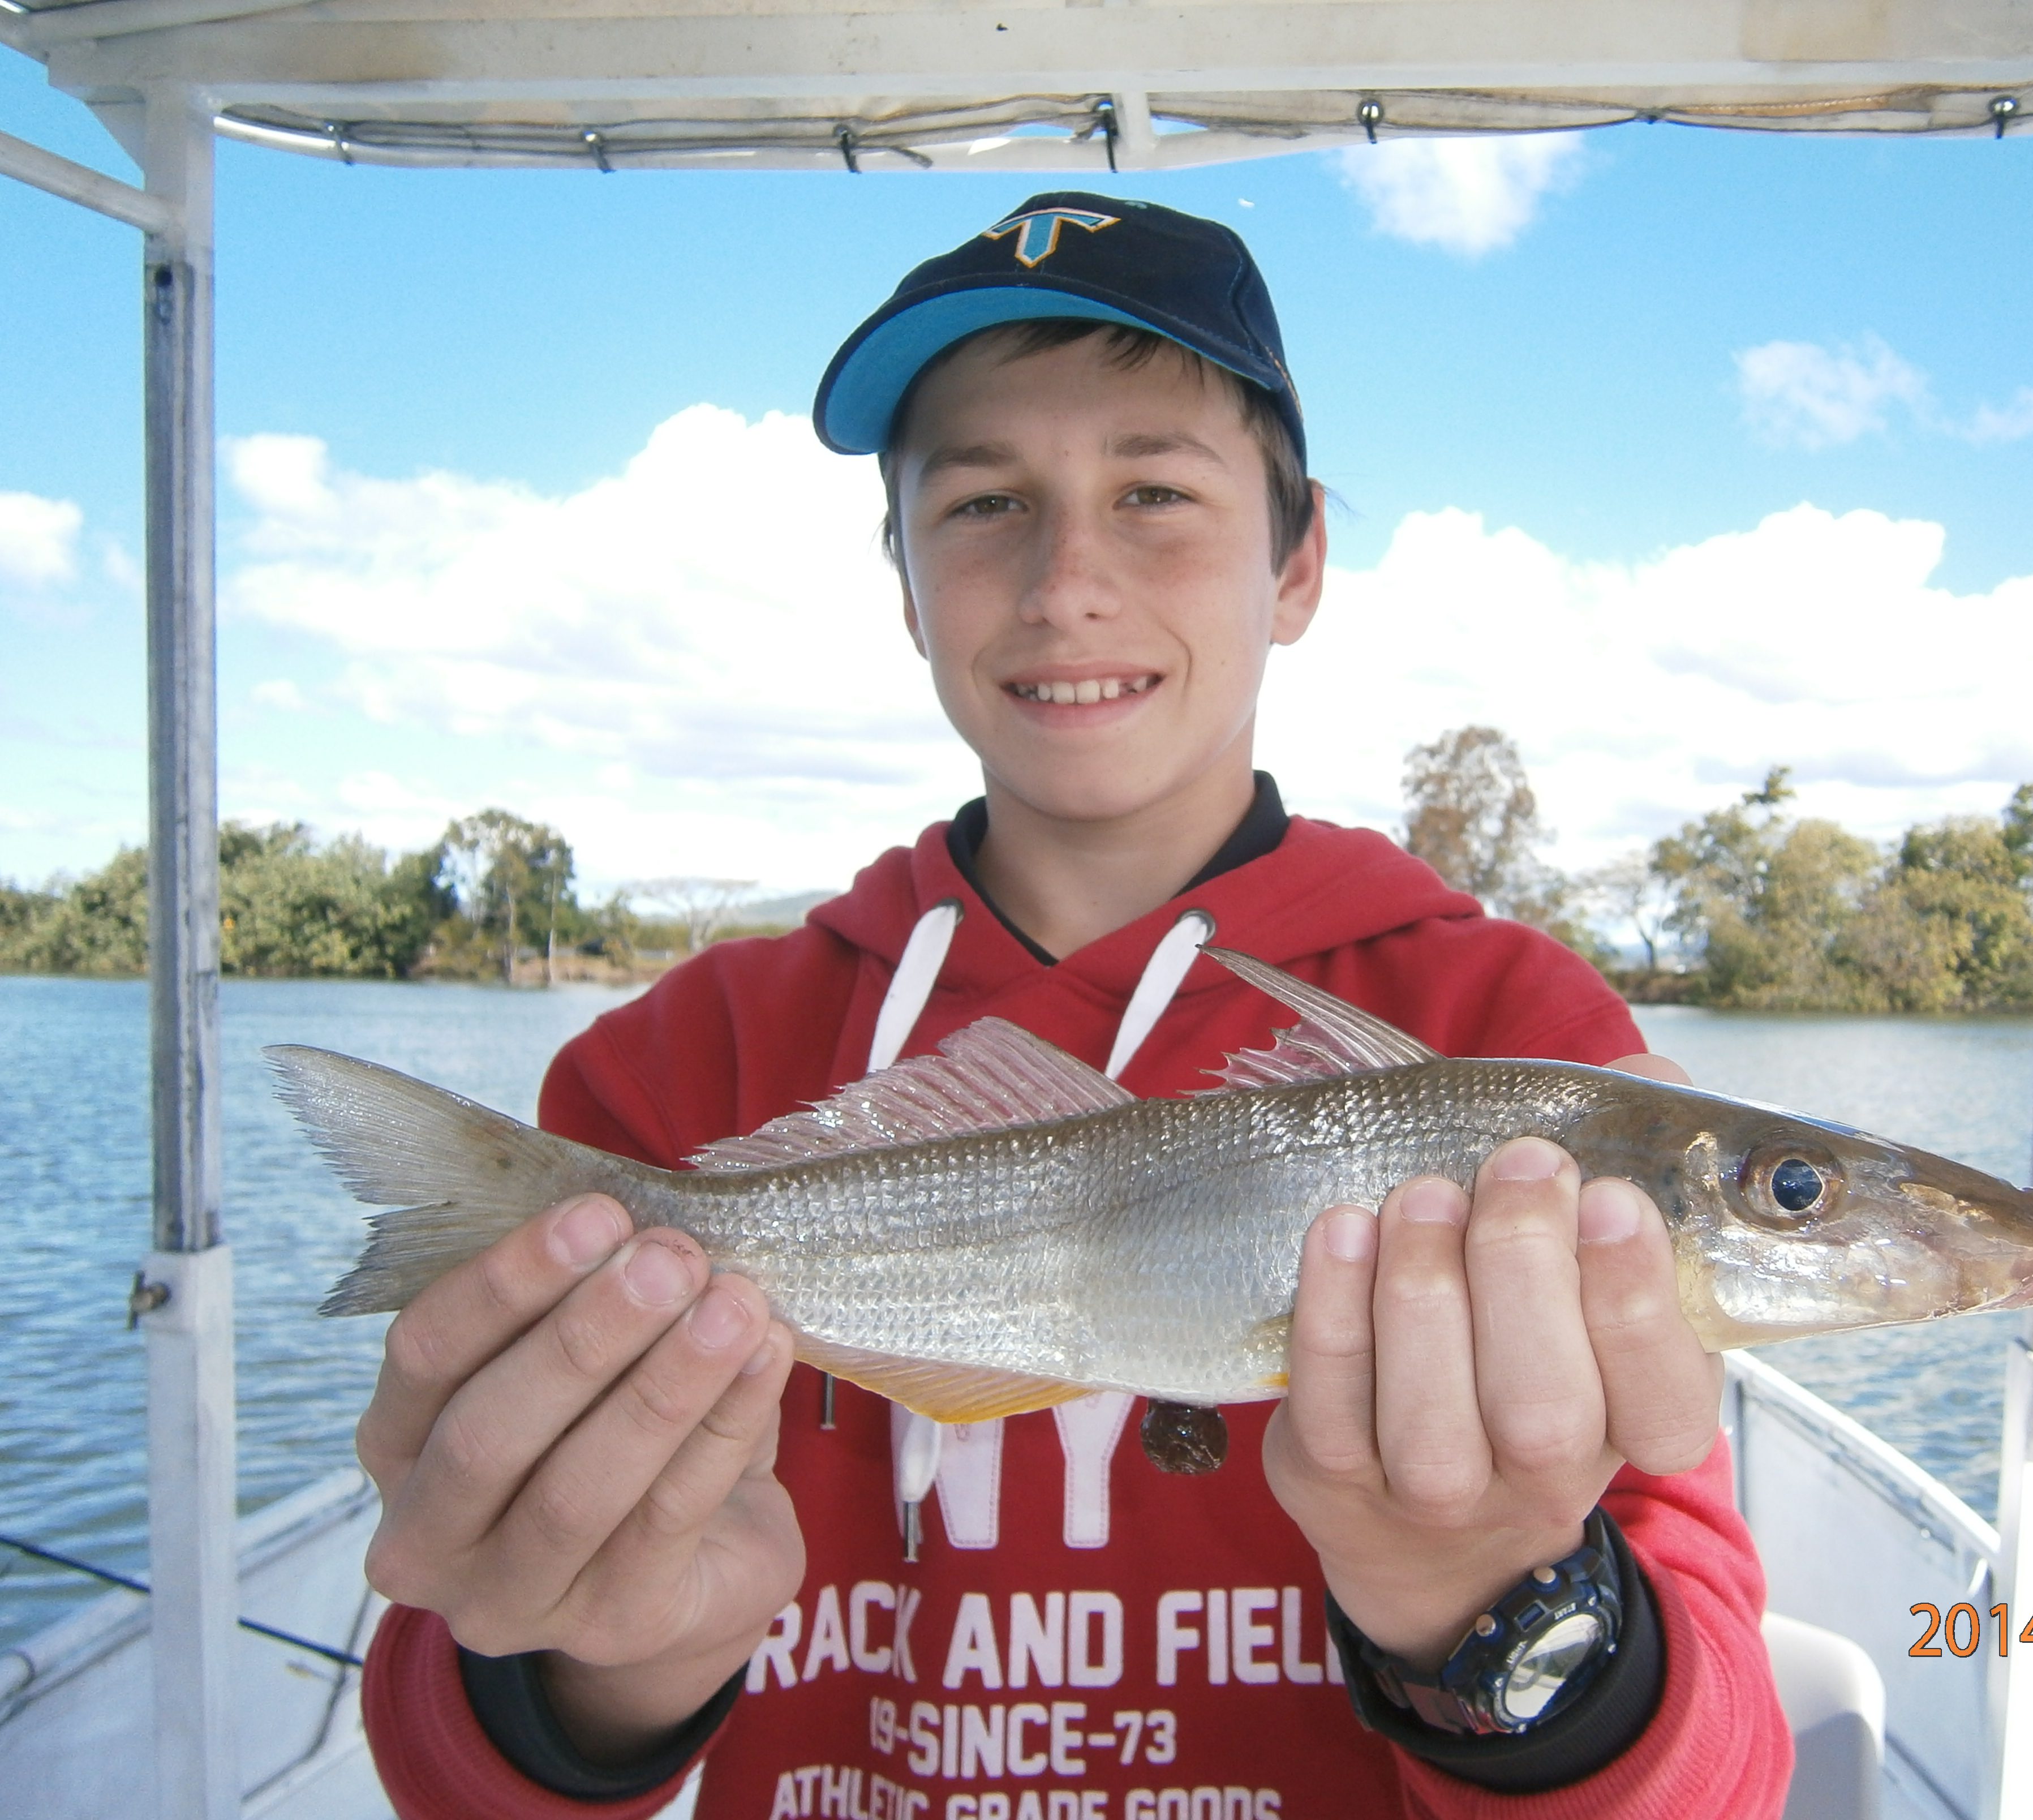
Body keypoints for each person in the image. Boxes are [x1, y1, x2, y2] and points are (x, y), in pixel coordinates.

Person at [354, 192, 1793, 1819]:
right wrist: (609, 1658)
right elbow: (438, 1752)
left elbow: (1718, 1780)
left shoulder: (1524, 1039)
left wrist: (1492, 1606)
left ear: (1299, 557)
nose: (1068, 581)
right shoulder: (670, 1075)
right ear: (903, 577)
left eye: (1157, 492)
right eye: (982, 505)